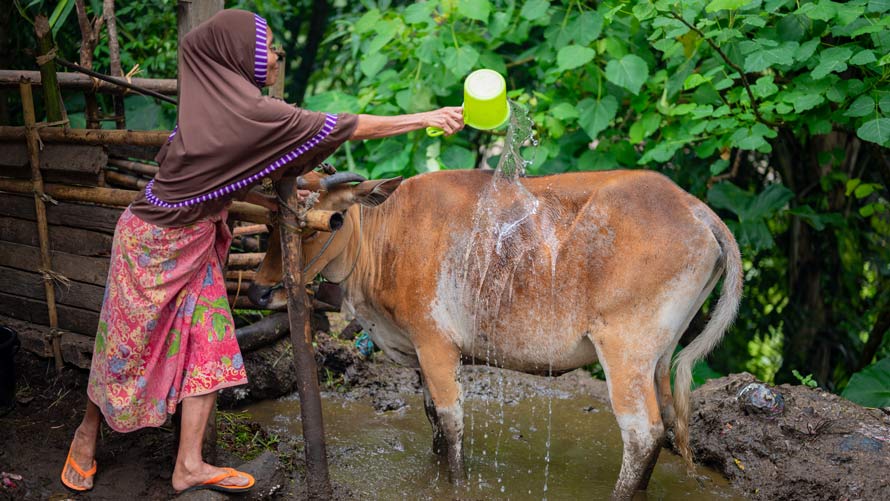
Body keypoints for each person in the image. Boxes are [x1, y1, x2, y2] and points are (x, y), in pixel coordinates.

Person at [60, 8, 463, 494]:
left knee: (209, 341)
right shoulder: (251, 113)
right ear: (238, 54)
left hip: (198, 241)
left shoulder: (219, 101)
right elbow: (349, 125)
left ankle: (188, 463)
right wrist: (427, 117)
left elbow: (218, 184)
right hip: (151, 243)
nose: (275, 55)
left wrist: (268, 202)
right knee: (125, 346)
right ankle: (86, 434)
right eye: (266, 46)